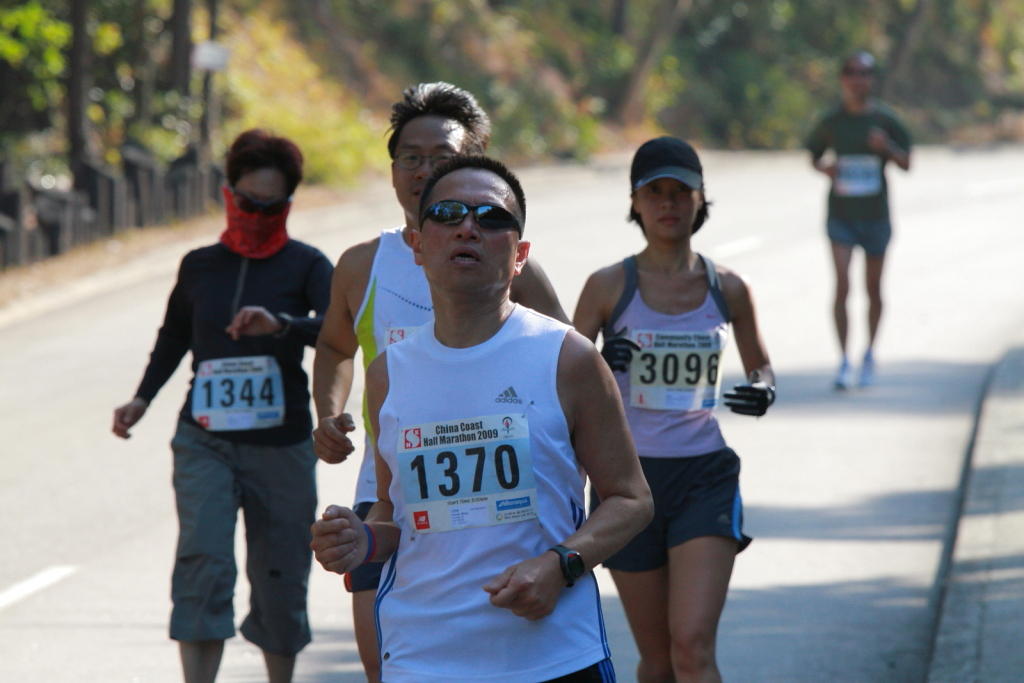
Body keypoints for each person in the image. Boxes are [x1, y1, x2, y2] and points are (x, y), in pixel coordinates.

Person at [310, 155, 653, 682]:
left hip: (551, 656)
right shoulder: (388, 374)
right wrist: (363, 539)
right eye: (447, 214)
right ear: (418, 245)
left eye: (492, 218)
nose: (468, 228)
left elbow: (631, 499)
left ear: (520, 256)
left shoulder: (569, 358)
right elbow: (396, 511)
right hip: (422, 658)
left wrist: (561, 564)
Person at [311, 82, 567, 681]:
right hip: (390, 492)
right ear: (393, 169)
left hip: (502, 496)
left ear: (475, 163)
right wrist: (328, 411)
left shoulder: (507, 259)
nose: (424, 171)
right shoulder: (362, 265)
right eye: (411, 157)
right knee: (389, 666)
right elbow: (334, 347)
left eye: (442, 158)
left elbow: (569, 362)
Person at [111, 130, 332, 683]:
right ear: (228, 194)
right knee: (203, 563)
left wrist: (281, 324)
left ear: (289, 205)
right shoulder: (199, 265)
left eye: (271, 207)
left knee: (281, 572)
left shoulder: (307, 265)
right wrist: (141, 398)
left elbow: (338, 330)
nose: (257, 216)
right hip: (204, 439)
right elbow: (173, 336)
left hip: (282, 445)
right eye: (248, 203)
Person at [573, 136, 775, 682]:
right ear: (635, 202)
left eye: (680, 192)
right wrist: (600, 360)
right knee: (659, 661)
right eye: (654, 192)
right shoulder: (607, 286)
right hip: (626, 483)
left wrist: (763, 389)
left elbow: (761, 367)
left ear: (700, 199)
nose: (668, 203)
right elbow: (560, 379)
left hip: (704, 475)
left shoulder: (728, 287)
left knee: (692, 647)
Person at [806, 50, 912, 389]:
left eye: (864, 73)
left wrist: (886, 148)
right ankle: (843, 360)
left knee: (873, 288)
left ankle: (868, 353)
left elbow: (907, 163)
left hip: (876, 217)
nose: (857, 79)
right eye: (851, 72)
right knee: (842, 285)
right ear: (843, 78)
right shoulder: (832, 120)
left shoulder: (885, 119)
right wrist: (826, 168)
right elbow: (813, 155)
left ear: (872, 79)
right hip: (841, 216)